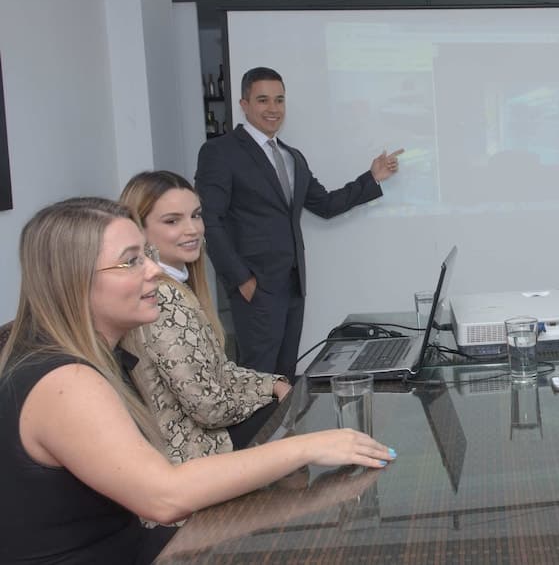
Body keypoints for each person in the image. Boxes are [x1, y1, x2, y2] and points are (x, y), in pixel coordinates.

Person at [0, 198, 395, 564]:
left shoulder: (74, 355)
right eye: (131, 261)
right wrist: (308, 446)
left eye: (147, 255)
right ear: (73, 281)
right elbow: (164, 497)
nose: (155, 271)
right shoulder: (64, 381)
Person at [195, 66, 403, 378]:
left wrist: (372, 177)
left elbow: (326, 204)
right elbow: (209, 220)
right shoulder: (220, 152)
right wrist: (241, 281)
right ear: (244, 104)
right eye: (263, 100)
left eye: (279, 100)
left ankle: (285, 415)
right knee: (258, 378)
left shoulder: (292, 156)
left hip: (293, 286)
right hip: (256, 286)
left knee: (285, 375)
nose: (273, 108)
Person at [120, 171, 292, 463]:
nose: (192, 230)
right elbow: (208, 408)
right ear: (139, 232)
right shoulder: (162, 296)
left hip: (206, 436)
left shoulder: (178, 286)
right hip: (193, 451)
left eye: (196, 216)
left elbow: (220, 372)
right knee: (296, 423)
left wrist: (273, 384)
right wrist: (269, 397)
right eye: (172, 221)